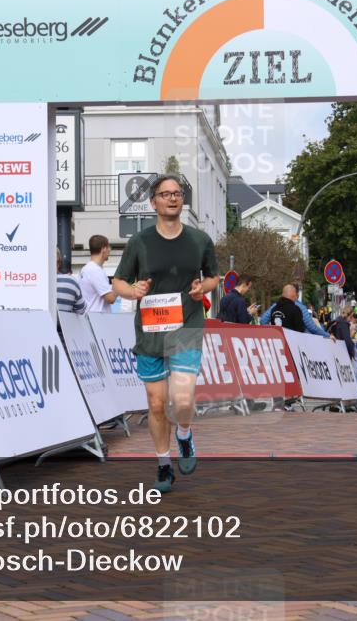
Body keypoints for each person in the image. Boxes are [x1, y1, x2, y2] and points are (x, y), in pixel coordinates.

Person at [111, 175, 220, 493]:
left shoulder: (199, 240)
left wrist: (203, 288)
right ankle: (163, 465)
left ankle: (184, 435)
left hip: (186, 326)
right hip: (151, 332)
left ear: (182, 200)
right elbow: (118, 282)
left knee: (182, 400)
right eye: (165, 194)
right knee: (157, 405)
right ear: (153, 202)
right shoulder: (140, 242)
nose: (173, 198)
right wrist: (133, 290)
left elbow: (215, 277)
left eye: (177, 193)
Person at [259, 283, 329, 337]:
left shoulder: (275, 306)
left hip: (277, 341)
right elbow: (312, 328)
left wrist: (273, 333)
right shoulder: (300, 308)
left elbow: (263, 320)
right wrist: (327, 335)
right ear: (297, 295)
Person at [80, 234, 118, 313]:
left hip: (92, 318)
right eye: (109, 247)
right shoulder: (95, 271)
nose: (110, 250)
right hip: (97, 320)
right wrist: (118, 285)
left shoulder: (87, 269)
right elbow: (110, 298)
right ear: (104, 249)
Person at [55, 248, 85, 314]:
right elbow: (81, 311)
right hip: (63, 324)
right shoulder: (71, 282)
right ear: (59, 262)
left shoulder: (30, 282)